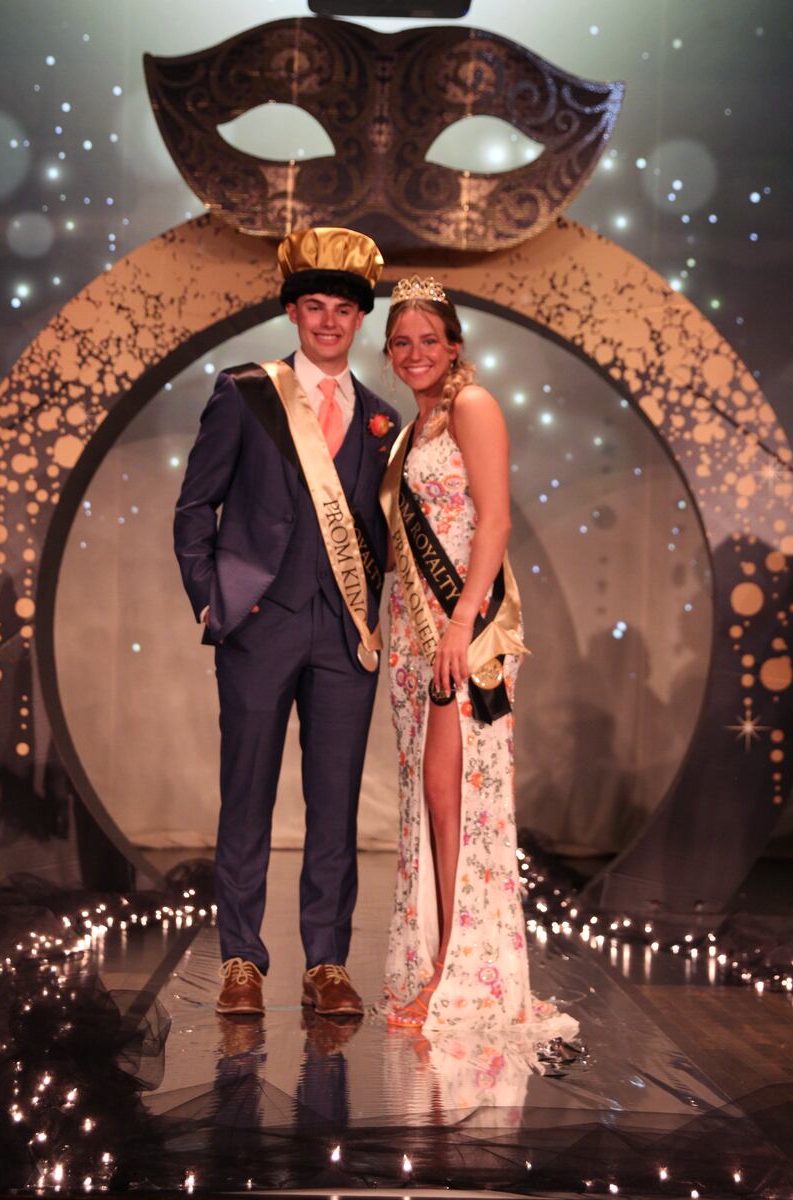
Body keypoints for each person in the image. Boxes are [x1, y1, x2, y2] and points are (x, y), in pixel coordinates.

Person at [174, 227, 401, 1018]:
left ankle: (327, 962)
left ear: (359, 320)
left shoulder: (381, 419)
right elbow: (194, 505)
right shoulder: (245, 392)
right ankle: (242, 959)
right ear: (294, 312)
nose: (329, 322)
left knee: (334, 803)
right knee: (247, 796)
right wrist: (214, 600)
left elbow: (384, 537)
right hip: (259, 629)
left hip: (344, 639)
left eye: (344, 309)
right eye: (315, 307)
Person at [379, 276, 574, 1038]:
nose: (416, 352)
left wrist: (460, 622)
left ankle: (461, 972)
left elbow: (492, 524)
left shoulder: (473, 406)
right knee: (430, 800)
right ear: (389, 353)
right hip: (414, 636)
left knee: (455, 796)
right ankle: (437, 961)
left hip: (466, 631)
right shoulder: (411, 432)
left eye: (430, 339)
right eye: (402, 341)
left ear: (454, 344)